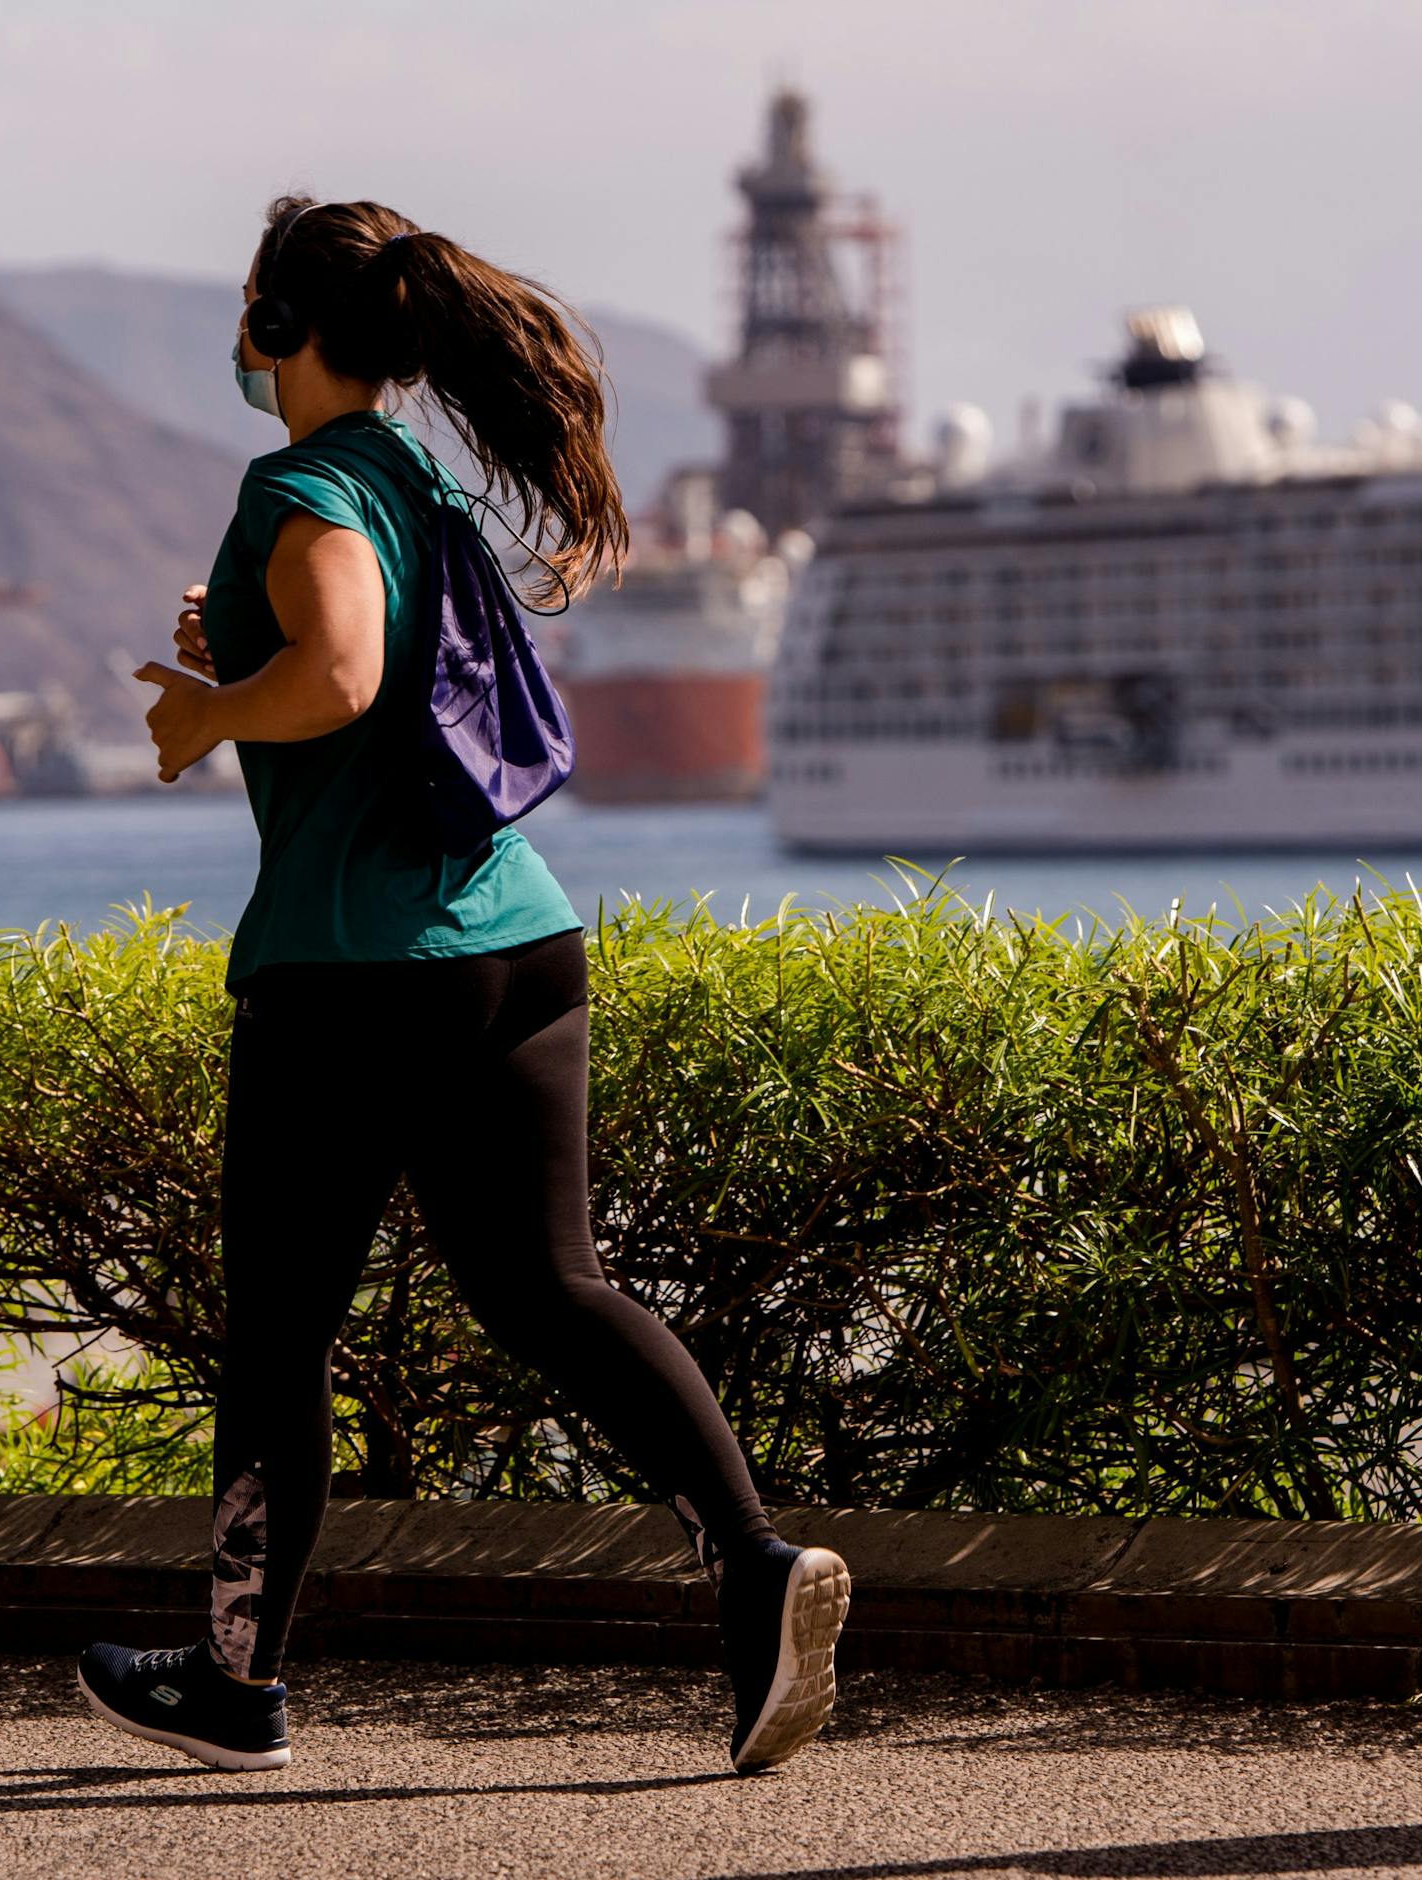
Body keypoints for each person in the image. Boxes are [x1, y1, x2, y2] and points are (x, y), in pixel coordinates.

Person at [74, 195, 848, 1776]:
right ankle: (759, 1569)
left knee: (280, 1339)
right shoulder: (412, 473)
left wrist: (209, 719)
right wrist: (241, 664)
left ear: (280, 332)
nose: (238, 336)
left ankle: (235, 1687)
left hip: (354, 974)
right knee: (549, 1288)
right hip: (518, 939)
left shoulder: (300, 478)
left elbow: (346, 674)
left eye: (248, 310)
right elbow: (354, 657)